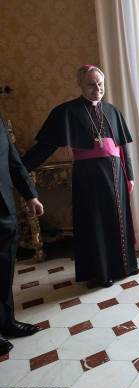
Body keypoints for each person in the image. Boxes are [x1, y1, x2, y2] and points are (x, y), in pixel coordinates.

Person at [22, 65, 138, 287]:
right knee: (95, 223)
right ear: (81, 85)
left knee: (118, 219)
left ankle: (123, 267)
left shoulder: (112, 110)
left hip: (116, 174)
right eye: (91, 84)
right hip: (89, 177)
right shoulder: (66, 111)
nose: (97, 88)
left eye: (100, 84)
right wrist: (20, 167)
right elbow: (45, 146)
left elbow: (123, 147)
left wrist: (129, 175)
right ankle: (102, 272)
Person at [0, 117, 44, 356]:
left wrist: (31, 196)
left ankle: (8, 322)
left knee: (5, 268)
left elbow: (14, 163)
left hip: (4, 210)